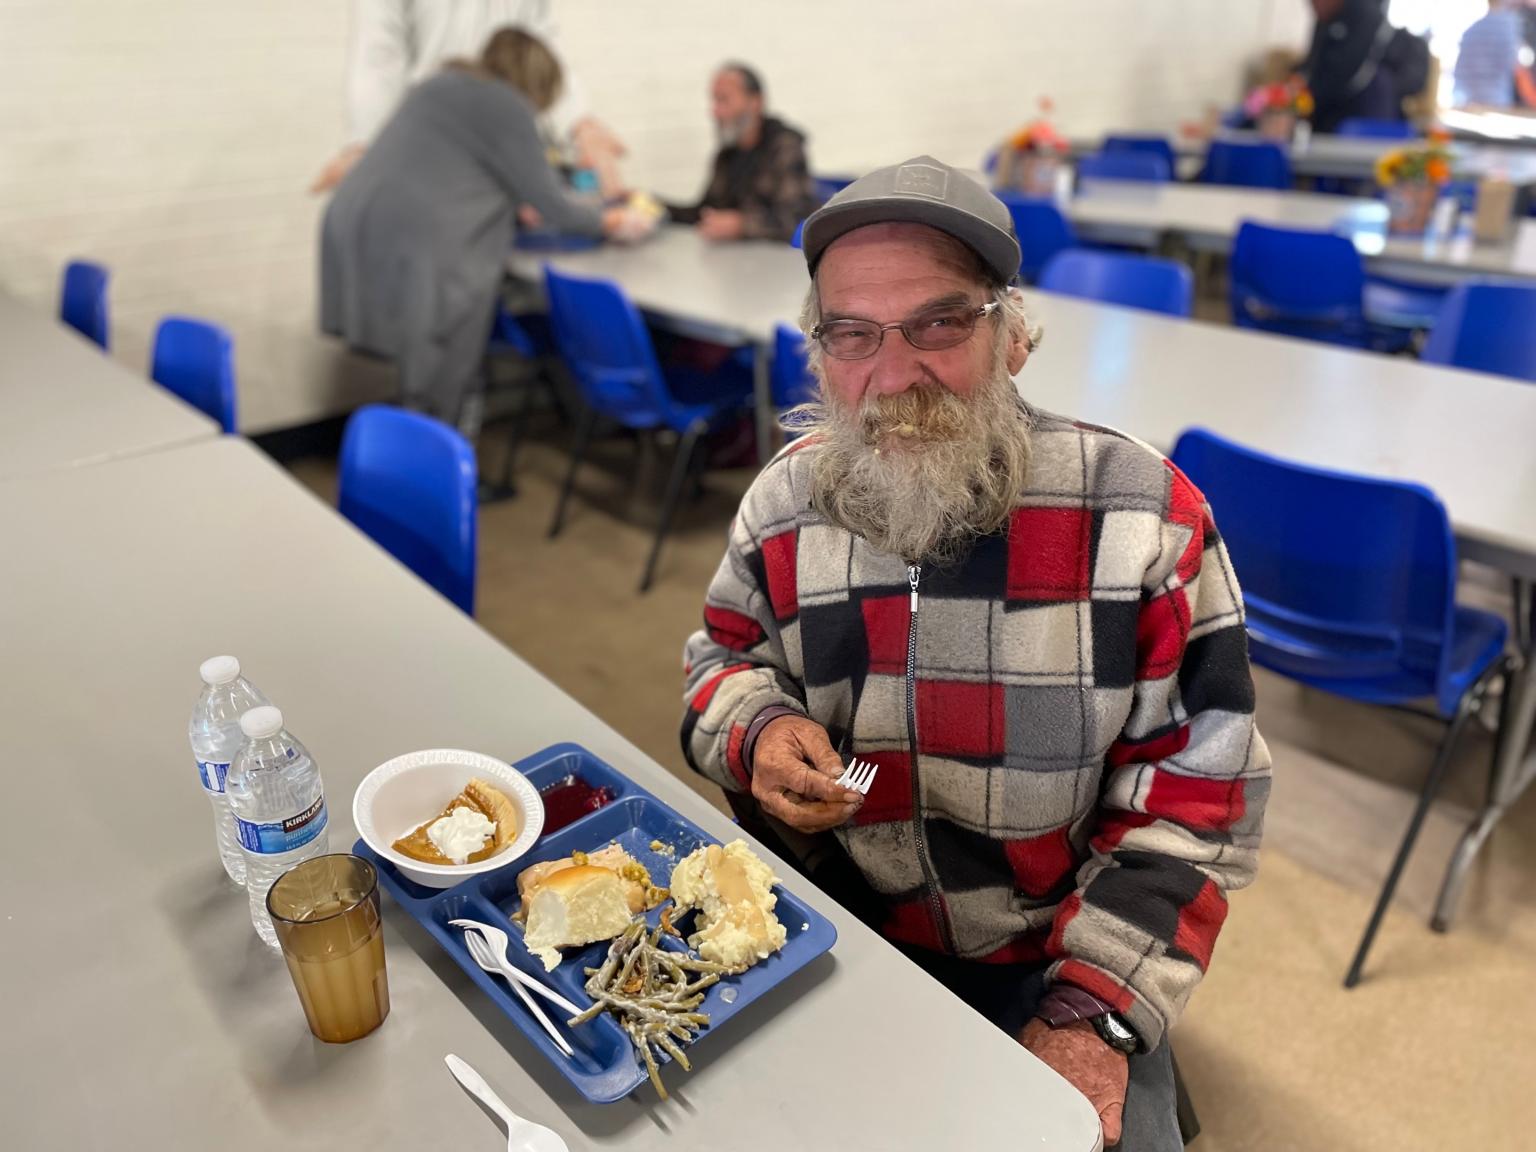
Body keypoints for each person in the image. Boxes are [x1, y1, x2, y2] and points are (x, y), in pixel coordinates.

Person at [679, 157, 1271, 1150]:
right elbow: (720, 660)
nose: (895, 374)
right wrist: (759, 729)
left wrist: (1088, 1015)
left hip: (1052, 960)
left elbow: (1197, 803)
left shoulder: (1140, 517)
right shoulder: (784, 503)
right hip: (834, 923)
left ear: (1013, 335)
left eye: (941, 324)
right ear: (818, 354)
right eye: (852, 334)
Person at [320, 28, 630, 427]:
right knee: (442, 372)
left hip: (359, 226)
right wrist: (611, 220)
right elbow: (553, 204)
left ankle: (420, 467)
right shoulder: (506, 105)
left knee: (423, 370)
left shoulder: (440, 86)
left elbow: (455, 170)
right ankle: (442, 478)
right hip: (424, 246)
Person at [312, 0, 623, 195]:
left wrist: (580, 122)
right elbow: (379, 54)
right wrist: (365, 144)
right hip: (433, 150)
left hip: (510, 145)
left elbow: (541, 40)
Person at [667, 64, 817, 244]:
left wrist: (742, 224)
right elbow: (704, 212)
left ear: (755, 102)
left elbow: (798, 219)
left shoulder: (785, 146)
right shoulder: (727, 153)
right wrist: (652, 206)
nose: (715, 112)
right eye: (714, 100)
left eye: (724, 100)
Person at [1303, 0, 1407, 131]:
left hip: (1360, 115)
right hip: (1326, 114)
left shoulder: (1365, 15)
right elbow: (1313, 63)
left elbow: (1348, 73)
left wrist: (1309, 94)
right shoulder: (1325, 21)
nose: (1313, 6)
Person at [1455, 1, 1536, 108]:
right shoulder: (1512, 26)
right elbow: (1520, 72)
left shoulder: (1471, 31)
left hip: (1469, 105)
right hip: (1500, 106)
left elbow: (1459, 75)